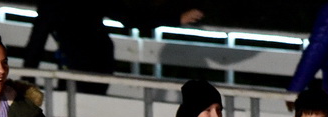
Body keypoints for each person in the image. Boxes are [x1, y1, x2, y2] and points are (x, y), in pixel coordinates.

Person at [22, 1, 203, 95]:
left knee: (79, 115)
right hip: (88, 63)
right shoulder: (51, 4)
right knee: (76, 115)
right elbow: (131, 17)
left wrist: (175, 18)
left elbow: (131, 17)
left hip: (92, 64)